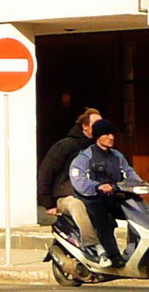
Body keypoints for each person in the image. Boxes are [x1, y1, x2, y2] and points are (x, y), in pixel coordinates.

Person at [69, 119, 149, 269]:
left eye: (112, 134)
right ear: (98, 136)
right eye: (106, 134)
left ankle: (135, 251)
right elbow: (79, 181)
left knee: (137, 213)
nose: (111, 137)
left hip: (114, 197)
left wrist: (140, 184)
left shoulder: (117, 156)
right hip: (93, 199)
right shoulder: (84, 158)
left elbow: (129, 173)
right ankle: (114, 255)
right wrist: (98, 186)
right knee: (102, 217)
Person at [37, 107, 106, 267]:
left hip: (92, 195)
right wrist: (48, 203)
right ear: (85, 126)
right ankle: (94, 246)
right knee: (77, 205)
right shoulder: (65, 146)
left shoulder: (100, 148)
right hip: (67, 197)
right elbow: (46, 172)